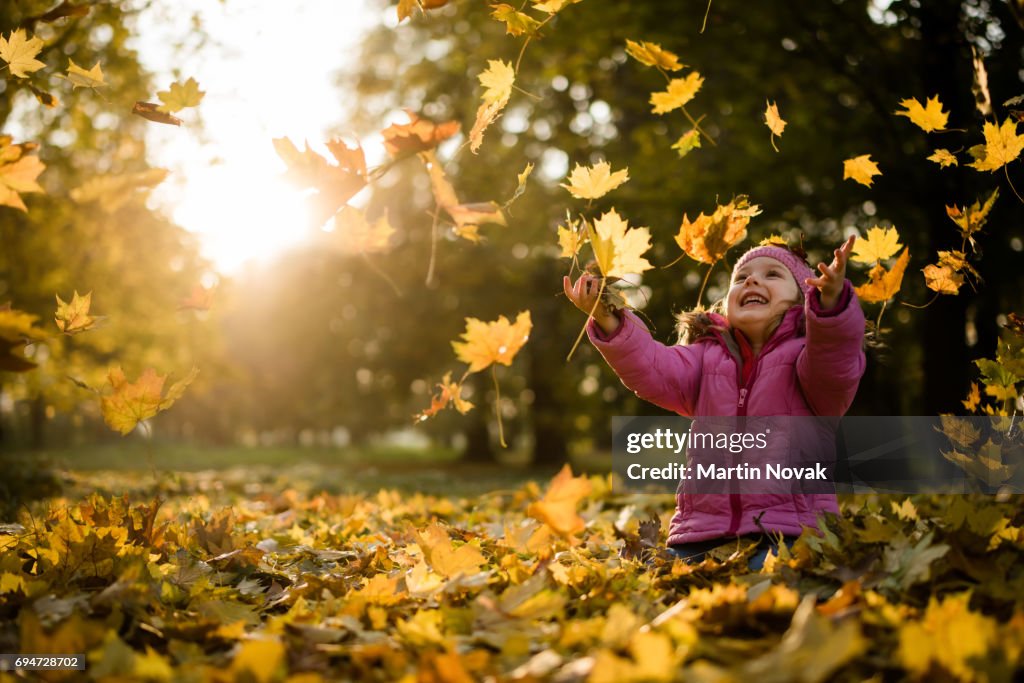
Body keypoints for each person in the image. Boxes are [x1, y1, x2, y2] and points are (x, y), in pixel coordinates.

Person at [563, 236, 865, 570]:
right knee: (659, 576)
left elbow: (836, 359)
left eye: (772, 275)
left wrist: (832, 308)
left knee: (767, 579)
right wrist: (609, 319)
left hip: (790, 531)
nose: (752, 280)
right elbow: (652, 368)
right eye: (741, 278)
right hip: (704, 532)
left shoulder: (809, 360)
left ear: (802, 300)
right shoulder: (705, 357)